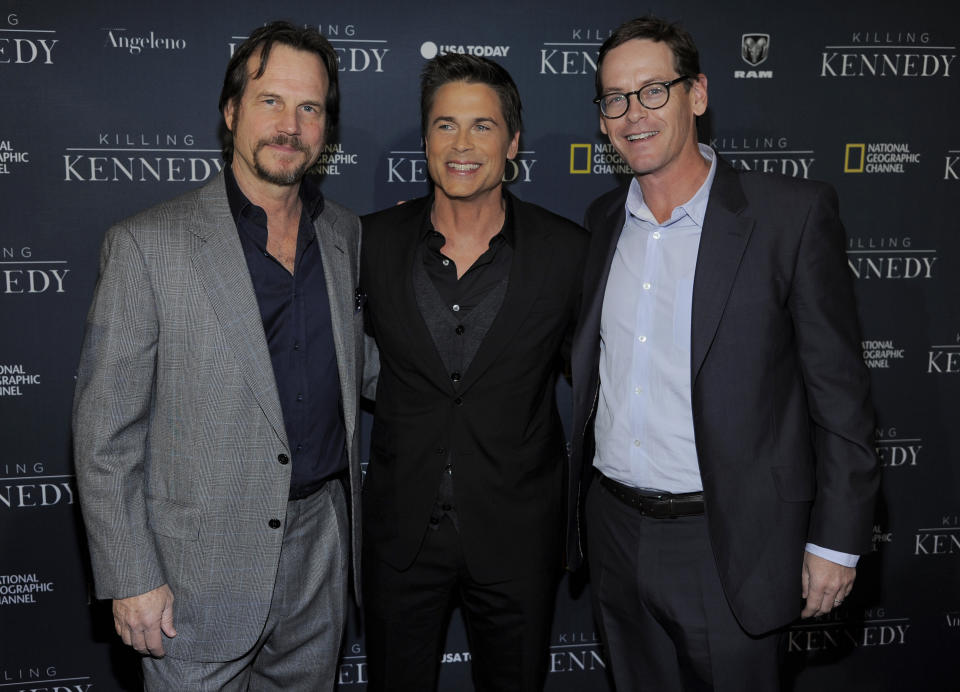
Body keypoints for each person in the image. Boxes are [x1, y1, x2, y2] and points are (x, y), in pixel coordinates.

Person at [567, 16, 880, 691]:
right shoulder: (599, 224)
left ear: (697, 95)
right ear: (601, 119)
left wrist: (835, 540)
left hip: (730, 541)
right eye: (614, 99)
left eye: (653, 91)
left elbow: (840, 395)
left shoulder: (789, 216)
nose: (633, 114)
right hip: (616, 532)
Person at [73, 21, 364, 691]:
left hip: (318, 559)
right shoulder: (148, 245)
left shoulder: (346, 236)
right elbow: (102, 436)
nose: (289, 124)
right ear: (231, 111)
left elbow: (364, 364)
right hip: (192, 578)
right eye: (270, 101)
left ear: (326, 126)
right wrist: (131, 576)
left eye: (310, 107)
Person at [359, 53, 588, 692]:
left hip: (518, 538)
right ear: (425, 138)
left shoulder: (568, 251)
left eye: (482, 127)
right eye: (445, 125)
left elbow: (604, 380)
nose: (462, 145)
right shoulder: (367, 243)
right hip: (400, 539)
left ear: (512, 143)